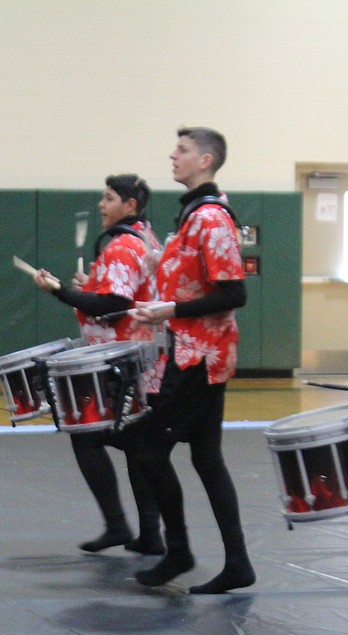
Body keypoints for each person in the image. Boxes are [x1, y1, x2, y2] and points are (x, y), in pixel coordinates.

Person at [129, 126, 256, 594]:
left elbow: (233, 292)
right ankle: (236, 561)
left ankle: (179, 551)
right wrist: (159, 264)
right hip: (195, 353)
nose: (172, 155)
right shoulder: (192, 217)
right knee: (206, 458)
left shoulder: (210, 218)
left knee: (146, 449)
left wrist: (171, 310)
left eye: (181, 150)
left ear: (205, 160)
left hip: (199, 358)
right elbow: (200, 282)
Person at [33, 174, 164, 555]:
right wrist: (89, 286)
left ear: (131, 206)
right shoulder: (146, 240)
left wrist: (63, 292)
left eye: (109, 198)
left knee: (90, 435)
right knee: (138, 448)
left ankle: (122, 526)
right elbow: (120, 293)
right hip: (144, 364)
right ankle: (148, 532)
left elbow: (111, 306)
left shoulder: (123, 247)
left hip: (127, 365)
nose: (101, 205)